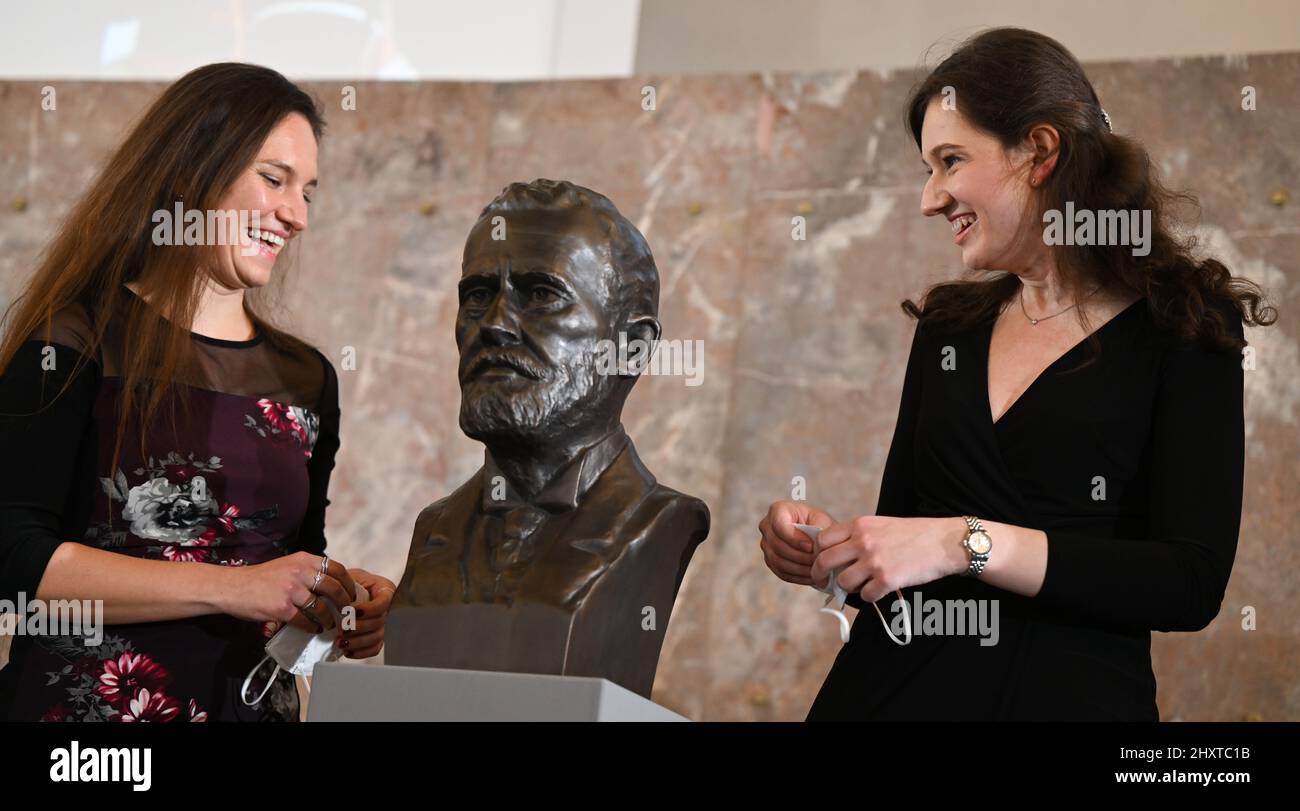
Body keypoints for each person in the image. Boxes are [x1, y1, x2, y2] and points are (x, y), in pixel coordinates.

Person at [758, 27, 1276, 721]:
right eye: (928, 170)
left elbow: (1189, 583)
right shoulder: (949, 327)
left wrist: (960, 540)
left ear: (1038, 151)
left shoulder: (1185, 322)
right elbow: (906, 553)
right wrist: (834, 555)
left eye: (949, 161)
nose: (930, 198)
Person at [0, 63, 395, 722]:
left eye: (309, 193)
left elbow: (293, 562)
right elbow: (13, 558)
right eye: (274, 180)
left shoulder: (307, 379)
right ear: (191, 174)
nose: (296, 215)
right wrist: (235, 588)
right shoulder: (74, 338)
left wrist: (337, 600)